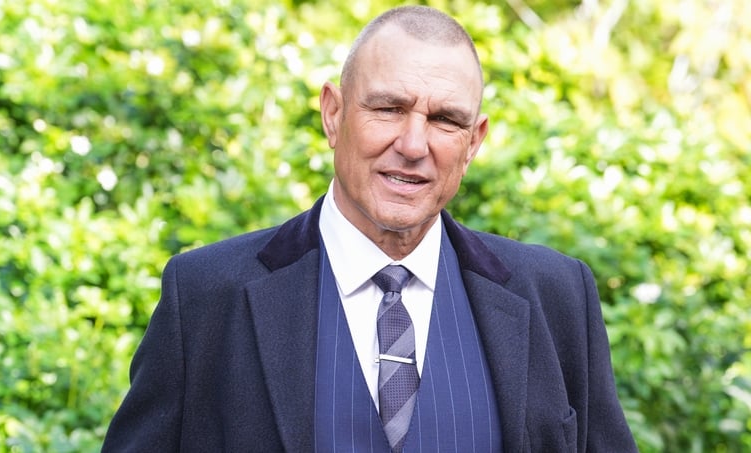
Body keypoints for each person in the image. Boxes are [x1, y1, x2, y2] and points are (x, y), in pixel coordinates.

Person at [103, 5, 637, 452]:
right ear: (333, 114)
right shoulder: (204, 296)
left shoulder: (557, 295)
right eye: (387, 108)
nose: (412, 144)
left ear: (474, 143)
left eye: (445, 120)